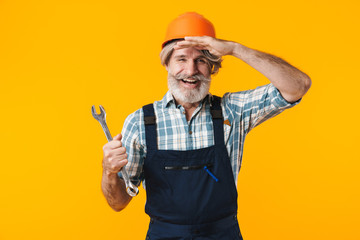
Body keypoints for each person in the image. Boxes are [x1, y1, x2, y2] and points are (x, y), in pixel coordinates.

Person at [100, 12, 311, 240]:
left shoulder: (233, 111)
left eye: (200, 60)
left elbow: (298, 86)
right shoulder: (140, 122)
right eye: (181, 59)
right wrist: (109, 172)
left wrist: (234, 49)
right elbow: (118, 203)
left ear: (212, 66)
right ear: (167, 63)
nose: (191, 71)